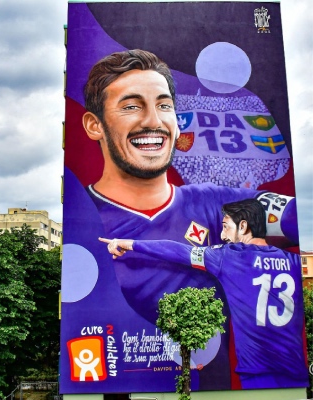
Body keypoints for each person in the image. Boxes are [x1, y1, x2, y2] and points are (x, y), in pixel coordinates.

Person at [80, 49, 298, 325]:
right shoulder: (85, 218)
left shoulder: (214, 201)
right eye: (131, 106)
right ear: (94, 125)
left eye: (164, 105)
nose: (153, 121)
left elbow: (292, 216)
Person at [100, 199, 305, 389]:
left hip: (258, 373)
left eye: (226, 227)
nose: (223, 236)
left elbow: (176, 251)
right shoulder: (294, 261)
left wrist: (131, 244)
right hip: (297, 374)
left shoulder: (228, 257)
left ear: (243, 226)